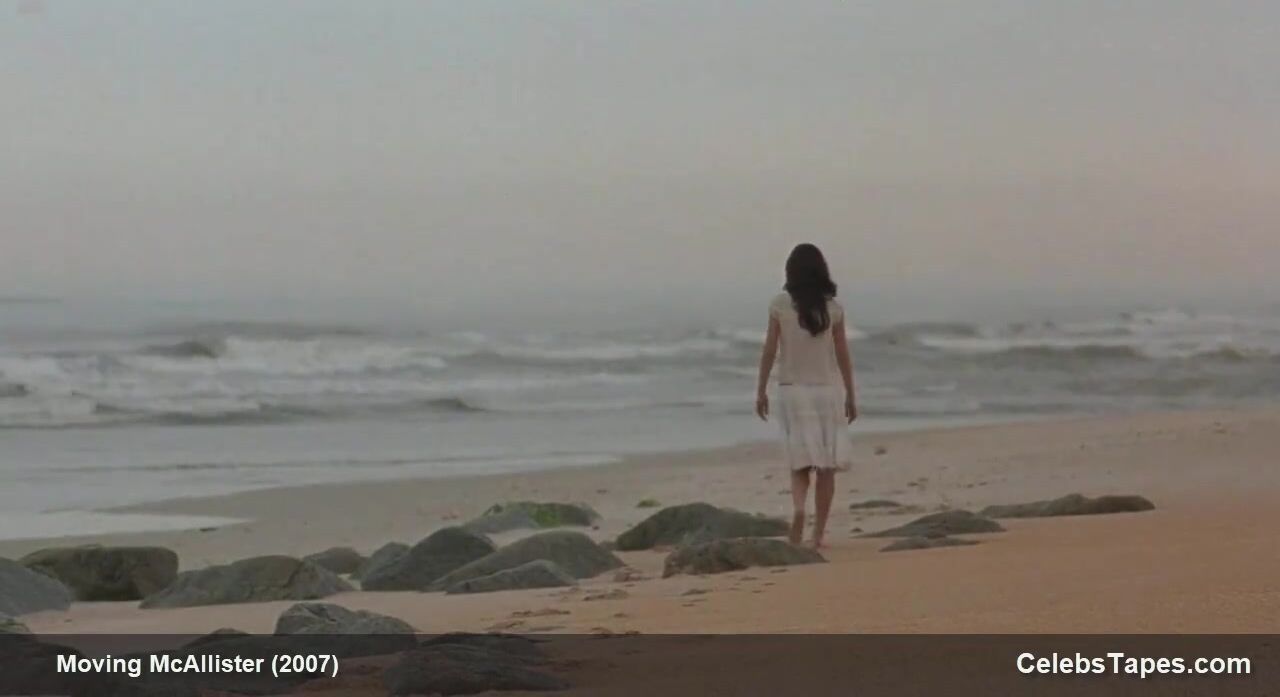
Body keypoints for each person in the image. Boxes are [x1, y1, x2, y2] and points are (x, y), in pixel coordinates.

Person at [755, 243, 858, 549]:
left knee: (799, 462)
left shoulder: (780, 305)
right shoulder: (833, 308)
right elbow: (842, 354)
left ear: (790, 271)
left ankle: (800, 509)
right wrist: (851, 394)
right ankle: (818, 534)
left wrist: (761, 390)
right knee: (826, 466)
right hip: (825, 391)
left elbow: (770, 350)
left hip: (792, 391)